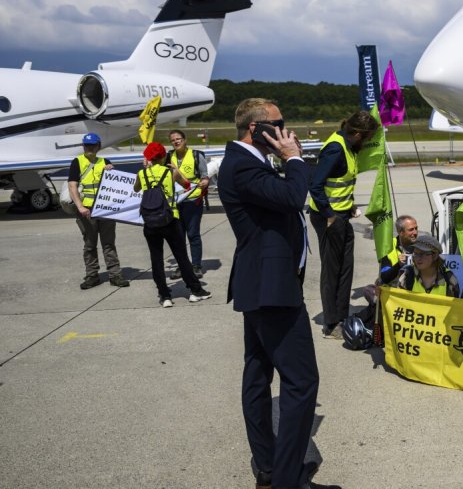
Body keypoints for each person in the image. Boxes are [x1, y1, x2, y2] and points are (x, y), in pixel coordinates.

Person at [218, 98, 319, 489]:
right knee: (301, 382)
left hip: (263, 284)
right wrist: (294, 158)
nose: (285, 131)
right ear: (255, 129)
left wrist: (284, 162)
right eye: (278, 124)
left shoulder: (249, 162)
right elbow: (293, 197)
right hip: (271, 290)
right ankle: (288, 479)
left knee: (258, 376)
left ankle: (270, 467)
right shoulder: (242, 165)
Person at [308, 111, 380, 339]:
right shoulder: (335, 148)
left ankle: (341, 314)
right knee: (332, 271)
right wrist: (330, 216)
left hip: (341, 215)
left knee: (345, 268)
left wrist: (349, 206)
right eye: (367, 138)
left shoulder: (349, 147)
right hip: (328, 218)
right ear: (357, 134)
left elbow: (338, 184)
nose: (368, 142)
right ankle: (331, 324)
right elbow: (316, 185)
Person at [132, 142, 211, 308]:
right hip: (170, 219)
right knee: (181, 257)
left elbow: (137, 188)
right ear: (163, 156)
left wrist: (146, 170)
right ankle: (195, 291)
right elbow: (187, 185)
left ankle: (165, 295)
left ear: (148, 158)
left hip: (150, 222)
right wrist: (176, 169)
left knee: (156, 259)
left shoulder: (142, 173)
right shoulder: (170, 172)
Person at [67, 132, 129, 290]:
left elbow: (115, 185)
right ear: (83, 146)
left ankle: (115, 275)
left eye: (93, 145)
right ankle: (92, 275)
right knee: (89, 244)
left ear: (98, 146)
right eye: (87, 145)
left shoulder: (105, 162)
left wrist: (112, 171)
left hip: (105, 209)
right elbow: (72, 185)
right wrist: (80, 206)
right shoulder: (77, 162)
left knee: (109, 244)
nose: (90, 148)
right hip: (87, 210)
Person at [167, 129, 210, 279]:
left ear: (185, 140)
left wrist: (204, 182)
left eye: (179, 139)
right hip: (175, 202)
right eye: (173, 140)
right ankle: (182, 266)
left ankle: (196, 266)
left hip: (193, 200)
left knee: (193, 234)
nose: (176, 142)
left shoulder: (196, 155)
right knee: (178, 236)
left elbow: (205, 176)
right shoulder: (168, 157)